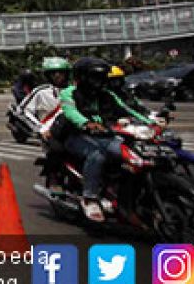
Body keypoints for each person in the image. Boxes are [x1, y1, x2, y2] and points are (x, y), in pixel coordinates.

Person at [57, 57, 154, 222]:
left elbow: (127, 109)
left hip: (106, 136)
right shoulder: (69, 92)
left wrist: (151, 122)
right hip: (77, 136)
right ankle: (90, 197)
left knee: (134, 155)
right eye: (95, 78)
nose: (99, 82)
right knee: (97, 155)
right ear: (83, 78)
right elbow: (70, 111)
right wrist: (86, 123)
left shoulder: (107, 94)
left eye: (102, 78)